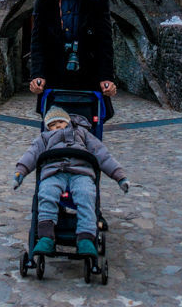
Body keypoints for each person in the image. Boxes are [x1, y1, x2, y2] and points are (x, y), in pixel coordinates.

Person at [13, 106, 129, 257]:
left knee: (86, 194)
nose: (57, 126)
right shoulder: (44, 138)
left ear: (68, 121)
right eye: (52, 125)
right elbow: (32, 153)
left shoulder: (82, 133)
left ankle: (86, 238)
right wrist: (20, 172)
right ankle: (46, 236)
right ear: (48, 128)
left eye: (60, 122)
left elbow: (101, 153)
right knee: (46, 192)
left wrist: (119, 176)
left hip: (80, 171)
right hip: (54, 171)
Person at [29, 0, 117, 109]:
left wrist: (106, 76)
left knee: (88, 124)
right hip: (55, 73)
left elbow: (105, 39)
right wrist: (37, 74)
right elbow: (37, 40)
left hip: (88, 72)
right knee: (54, 127)